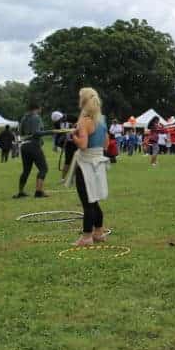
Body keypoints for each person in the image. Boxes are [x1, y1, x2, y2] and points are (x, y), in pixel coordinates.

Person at [67, 87, 110, 247]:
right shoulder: (102, 120)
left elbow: (83, 145)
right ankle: (98, 232)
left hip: (86, 163)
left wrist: (74, 136)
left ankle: (86, 237)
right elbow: (106, 143)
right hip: (98, 162)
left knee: (87, 202)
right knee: (94, 199)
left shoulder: (85, 121)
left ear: (83, 101)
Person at [14, 102, 48, 199]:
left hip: (24, 146)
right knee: (43, 169)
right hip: (34, 145)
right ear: (37, 108)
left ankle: (20, 192)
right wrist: (48, 132)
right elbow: (37, 133)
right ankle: (39, 191)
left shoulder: (24, 118)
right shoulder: (36, 117)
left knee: (26, 170)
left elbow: (20, 132)